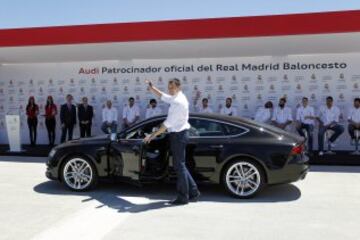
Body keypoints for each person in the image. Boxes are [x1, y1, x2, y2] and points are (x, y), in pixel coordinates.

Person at [144, 78, 200, 205]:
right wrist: (152, 88)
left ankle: (183, 197)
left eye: (172, 87)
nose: (170, 90)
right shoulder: (177, 97)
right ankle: (194, 192)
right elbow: (164, 96)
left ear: (178, 87)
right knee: (181, 166)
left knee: (179, 166)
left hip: (179, 136)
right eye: (169, 87)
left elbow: (165, 125)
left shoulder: (178, 102)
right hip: (179, 135)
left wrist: (151, 136)